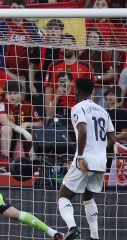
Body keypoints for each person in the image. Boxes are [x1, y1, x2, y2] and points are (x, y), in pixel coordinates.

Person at [58, 78, 115, 240]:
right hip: (100, 161)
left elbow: (82, 131)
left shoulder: (77, 108)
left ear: (76, 91)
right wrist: (99, 150)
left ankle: (72, 227)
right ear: (92, 92)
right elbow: (112, 138)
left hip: (84, 160)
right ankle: (94, 236)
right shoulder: (103, 110)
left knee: (63, 196)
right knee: (87, 197)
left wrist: (82, 156)